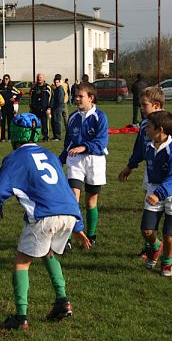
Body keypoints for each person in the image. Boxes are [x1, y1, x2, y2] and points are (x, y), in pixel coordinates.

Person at [0, 113, 90, 330]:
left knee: (21, 262)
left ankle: (20, 317)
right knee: (47, 253)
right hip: (69, 214)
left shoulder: (14, 158)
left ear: (15, 134)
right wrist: (78, 226)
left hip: (45, 216)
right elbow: (66, 192)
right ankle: (62, 302)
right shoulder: (50, 155)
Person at [118, 86, 172, 258]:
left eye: (144, 105)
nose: (141, 108)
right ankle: (151, 247)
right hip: (153, 174)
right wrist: (130, 166)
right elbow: (139, 149)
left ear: (157, 105)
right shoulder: (146, 124)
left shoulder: (170, 123)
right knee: (150, 213)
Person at [123, 111, 172, 277]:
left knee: (170, 234)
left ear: (160, 129)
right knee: (146, 230)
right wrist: (129, 167)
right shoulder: (150, 145)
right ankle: (155, 247)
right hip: (156, 189)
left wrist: (159, 193)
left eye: (149, 127)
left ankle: (167, 262)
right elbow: (139, 154)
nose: (145, 130)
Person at [59, 82, 108, 247]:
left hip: (95, 161)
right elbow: (68, 143)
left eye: (81, 96)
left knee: (90, 202)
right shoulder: (73, 117)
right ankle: (67, 239)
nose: (77, 99)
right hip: (75, 162)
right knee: (72, 200)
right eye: (76, 96)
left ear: (91, 98)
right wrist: (60, 161)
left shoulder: (100, 117)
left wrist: (84, 147)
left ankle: (91, 236)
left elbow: (101, 142)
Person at [29, 73, 52, 142]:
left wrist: (49, 108)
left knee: (44, 125)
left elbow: (51, 98)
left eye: (41, 77)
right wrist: (31, 107)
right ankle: (34, 138)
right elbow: (30, 98)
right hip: (35, 109)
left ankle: (45, 137)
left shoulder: (47, 87)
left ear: (43, 78)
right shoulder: (33, 88)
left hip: (44, 109)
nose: (39, 78)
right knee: (34, 124)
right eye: (38, 77)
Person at [0, 74, 20, 141]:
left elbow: (19, 93)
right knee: (2, 123)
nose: (5, 80)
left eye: (7, 79)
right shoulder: (0, 87)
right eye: (4, 78)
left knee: (10, 123)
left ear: (9, 79)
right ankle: (3, 137)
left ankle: (10, 137)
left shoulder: (12, 87)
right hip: (2, 108)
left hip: (10, 107)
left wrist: (15, 99)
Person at [50, 75, 65, 141]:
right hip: (55, 107)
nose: (56, 83)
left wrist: (56, 107)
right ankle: (55, 136)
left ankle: (58, 136)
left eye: (57, 82)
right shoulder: (56, 89)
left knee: (57, 122)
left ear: (59, 82)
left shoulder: (60, 89)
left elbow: (60, 100)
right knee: (53, 121)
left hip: (58, 107)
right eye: (55, 82)